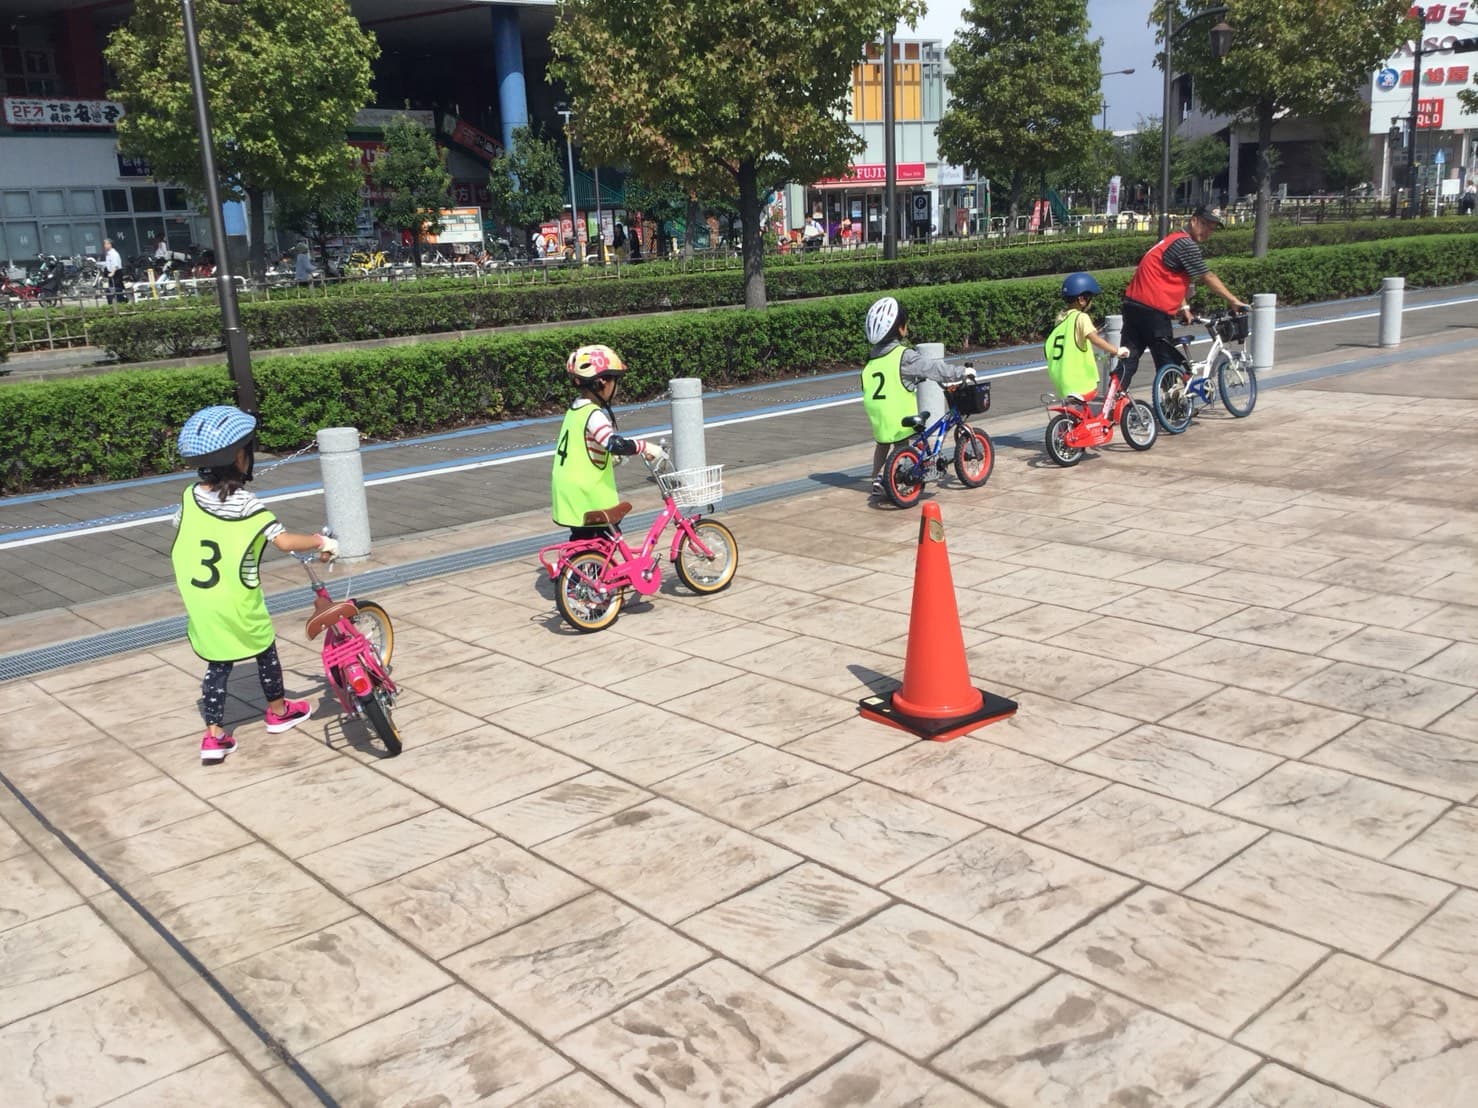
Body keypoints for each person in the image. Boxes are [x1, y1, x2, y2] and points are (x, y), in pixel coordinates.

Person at [171, 405, 338, 764]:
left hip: (201, 598)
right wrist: (320, 541)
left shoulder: (189, 496)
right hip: (238, 596)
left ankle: (214, 736)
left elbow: (181, 527)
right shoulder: (245, 502)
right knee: (265, 651)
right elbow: (283, 541)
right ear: (239, 458)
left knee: (218, 664)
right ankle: (278, 711)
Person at [1118, 205, 1247, 392]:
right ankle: (1174, 410)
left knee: (1128, 357)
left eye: (1212, 228)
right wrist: (1234, 301)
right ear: (1193, 220)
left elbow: (1170, 276)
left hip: (1132, 305)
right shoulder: (1186, 244)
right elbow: (1207, 277)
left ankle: (1112, 401)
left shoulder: (1172, 240)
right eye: (1205, 224)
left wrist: (1184, 307)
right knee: (1167, 362)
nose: (1208, 231)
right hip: (1153, 310)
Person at [861, 296, 973, 498]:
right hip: (898, 410)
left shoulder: (871, 361)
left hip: (878, 414)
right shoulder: (904, 356)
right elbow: (932, 367)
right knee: (902, 442)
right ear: (900, 328)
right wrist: (961, 372)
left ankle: (877, 477)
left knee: (883, 442)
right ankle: (896, 478)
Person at [551, 344, 666, 540]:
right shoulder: (594, 414)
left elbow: (584, 445)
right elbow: (614, 444)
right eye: (614, 380)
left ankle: (579, 569)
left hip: (567, 492)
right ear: (602, 383)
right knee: (609, 537)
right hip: (588, 494)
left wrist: (607, 458)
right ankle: (601, 570)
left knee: (584, 541)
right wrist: (645, 447)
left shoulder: (574, 410)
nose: (616, 386)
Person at [1045, 272, 1130, 404]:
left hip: (1061, 378)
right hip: (1078, 379)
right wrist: (1116, 351)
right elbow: (1095, 339)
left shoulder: (1060, 317)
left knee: (1075, 410)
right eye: (1090, 297)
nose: (1092, 302)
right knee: (1089, 400)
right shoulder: (1081, 317)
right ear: (1082, 299)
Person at [103, 238, 124, 304]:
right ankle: (114, 303)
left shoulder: (113, 254)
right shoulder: (108, 254)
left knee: (116, 289)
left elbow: (116, 265)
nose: (104, 245)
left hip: (116, 274)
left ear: (110, 244)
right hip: (111, 273)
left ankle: (120, 302)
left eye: (106, 244)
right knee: (111, 289)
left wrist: (112, 273)